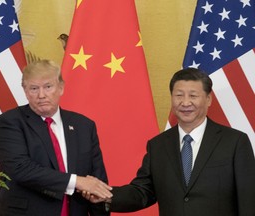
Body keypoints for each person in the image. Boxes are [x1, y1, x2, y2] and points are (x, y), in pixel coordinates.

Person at [85, 68, 255, 216]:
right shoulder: (158, 145)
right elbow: (142, 192)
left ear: (208, 99)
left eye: (193, 96)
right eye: (179, 95)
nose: (185, 102)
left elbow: (248, 200)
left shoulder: (235, 142)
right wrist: (106, 194)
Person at [0, 59, 112, 216]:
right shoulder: (10, 121)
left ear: (61, 88)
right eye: (34, 88)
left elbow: (97, 180)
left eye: (48, 87)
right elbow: (20, 169)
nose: (41, 95)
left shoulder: (84, 125)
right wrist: (77, 181)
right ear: (25, 91)